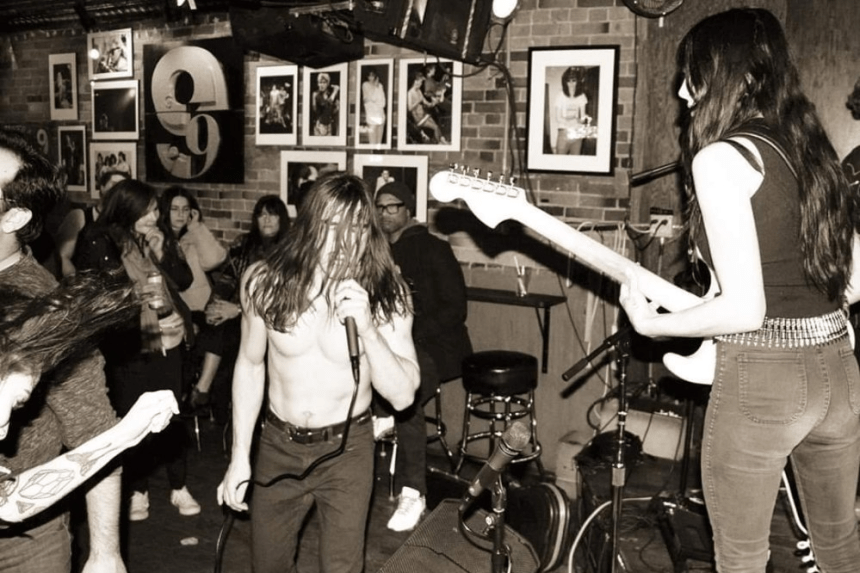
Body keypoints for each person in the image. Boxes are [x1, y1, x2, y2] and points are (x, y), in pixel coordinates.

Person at [619, 9, 860, 573]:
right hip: (840, 373)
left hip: (764, 378)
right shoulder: (815, 151)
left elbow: (745, 308)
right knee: (840, 547)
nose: (683, 92)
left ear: (730, 74)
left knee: (742, 559)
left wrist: (651, 324)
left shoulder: (720, 158)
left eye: (692, 74)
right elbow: (854, 279)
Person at [217, 174, 419, 573]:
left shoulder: (388, 293)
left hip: (348, 449)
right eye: (332, 226)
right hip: (278, 444)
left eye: (356, 228)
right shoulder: (264, 282)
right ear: (309, 225)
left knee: (342, 568)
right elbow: (250, 364)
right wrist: (240, 456)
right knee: (268, 566)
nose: (344, 242)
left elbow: (403, 396)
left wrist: (368, 329)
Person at [0, 127, 133, 572]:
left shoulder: (44, 307)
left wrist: (105, 553)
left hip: (20, 539)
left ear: (14, 217)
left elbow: (94, 431)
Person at [73, 178, 201, 522]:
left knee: (171, 413)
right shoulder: (99, 239)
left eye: (156, 210)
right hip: (129, 344)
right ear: (127, 209)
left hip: (166, 337)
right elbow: (100, 298)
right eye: (148, 211)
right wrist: (139, 303)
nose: (155, 217)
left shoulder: (148, 238)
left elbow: (182, 280)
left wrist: (162, 253)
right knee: (133, 417)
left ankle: (178, 485)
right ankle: (138, 489)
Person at [374, 181, 472, 532]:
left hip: (436, 347)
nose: (385, 213)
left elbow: (456, 308)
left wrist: (410, 334)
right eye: (380, 207)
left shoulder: (434, 248)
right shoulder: (376, 252)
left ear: (408, 209)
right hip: (391, 346)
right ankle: (379, 415)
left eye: (393, 206)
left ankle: (413, 493)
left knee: (408, 401)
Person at [195, 195, 289, 421]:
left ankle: (203, 392)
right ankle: (211, 401)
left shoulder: (290, 251)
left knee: (227, 335)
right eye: (261, 215)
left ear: (281, 219)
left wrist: (237, 310)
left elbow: (281, 298)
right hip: (237, 316)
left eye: (272, 214)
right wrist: (214, 306)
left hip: (271, 322)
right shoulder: (245, 245)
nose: (267, 220)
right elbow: (226, 279)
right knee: (216, 325)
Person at [158, 186, 227, 410]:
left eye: (185, 209)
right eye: (175, 209)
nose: (180, 214)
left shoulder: (193, 236)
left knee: (224, 326)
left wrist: (196, 227)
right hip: (177, 312)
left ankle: (201, 390)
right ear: (164, 211)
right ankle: (193, 393)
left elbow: (215, 259)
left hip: (202, 308)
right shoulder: (158, 241)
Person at [54, 169, 130, 278]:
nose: (117, 191)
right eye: (114, 185)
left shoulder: (124, 222)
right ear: (102, 188)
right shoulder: (79, 216)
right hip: (83, 283)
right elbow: (64, 258)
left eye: (122, 187)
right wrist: (76, 283)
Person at [555, 66, 591, 155]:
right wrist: (574, 120)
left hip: (577, 133)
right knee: (559, 160)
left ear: (578, 81)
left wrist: (584, 119)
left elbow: (582, 117)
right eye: (568, 80)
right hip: (564, 132)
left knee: (575, 160)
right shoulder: (560, 95)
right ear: (565, 81)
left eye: (574, 80)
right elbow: (558, 118)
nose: (571, 83)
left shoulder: (582, 96)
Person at [406, 72, 446, 144]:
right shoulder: (410, 93)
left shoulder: (419, 91)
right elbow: (409, 108)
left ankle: (442, 141)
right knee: (435, 127)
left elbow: (427, 104)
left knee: (437, 126)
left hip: (424, 115)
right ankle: (439, 143)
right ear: (416, 81)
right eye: (420, 82)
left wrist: (433, 103)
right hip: (418, 119)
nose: (421, 84)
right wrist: (418, 101)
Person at [361, 69, 386, 145]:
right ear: (367, 76)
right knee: (372, 144)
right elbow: (370, 99)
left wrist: (373, 101)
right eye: (369, 75)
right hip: (371, 118)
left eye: (373, 75)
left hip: (381, 117)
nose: (371, 77)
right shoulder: (365, 85)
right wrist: (375, 87)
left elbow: (383, 103)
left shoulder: (380, 86)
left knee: (379, 144)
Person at [311, 72, 340, 136]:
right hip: (320, 125)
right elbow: (324, 105)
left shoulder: (329, 94)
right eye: (320, 82)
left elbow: (331, 111)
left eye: (324, 83)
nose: (321, 85)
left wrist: (337, 107)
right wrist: (335, 92)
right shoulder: (315, 94)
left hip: (329, 125)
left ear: (327, 84)